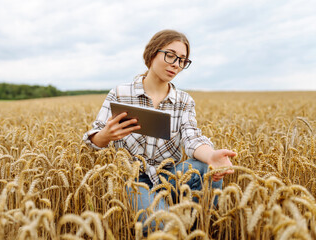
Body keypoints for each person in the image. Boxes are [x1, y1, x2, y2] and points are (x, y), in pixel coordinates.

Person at [83, 29, 236, 230]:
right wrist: (105, 135)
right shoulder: (120, 93)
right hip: (134, 179)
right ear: (152, 53)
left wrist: (211, 156)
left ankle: (198, 229)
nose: (175, 64)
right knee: (162, 226)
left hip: (170, 174)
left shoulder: (184, 101)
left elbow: (192, 138)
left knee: (206, 169)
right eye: (170, 55)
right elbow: (92, 141)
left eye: (182, 60)